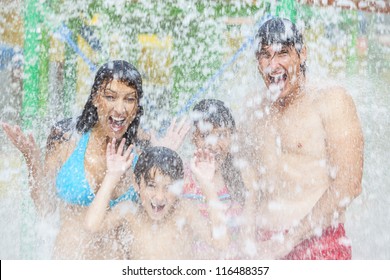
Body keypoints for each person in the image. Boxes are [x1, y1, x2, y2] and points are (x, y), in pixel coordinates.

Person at [237, 17, 364, 259]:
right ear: (257, 62)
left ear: (302, 54)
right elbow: (245, 179)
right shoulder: (253, 109)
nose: (273, 65)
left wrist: (289, 239)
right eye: (265, 55)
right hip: (264, 244)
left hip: (318, 242)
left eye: (282, 53)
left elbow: (349, 183)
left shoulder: (331, 101)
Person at [2, 60, 144, 259]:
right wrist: (31, 159)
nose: (120, 109)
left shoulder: (142, 148)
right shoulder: (66, 138)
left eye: (129, 99)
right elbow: (45, 207)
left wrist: (168, 151)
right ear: (95, 98)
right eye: (110, 97)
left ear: (137, 106)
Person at [84, 144, 230, 259]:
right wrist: (112, 176)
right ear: (136, 183)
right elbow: (91, 227)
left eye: (168, 188)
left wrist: (207, 185)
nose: (159, 197)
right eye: (151, 186)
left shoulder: (184, 210)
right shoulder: (129, 211)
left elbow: (222, 243)